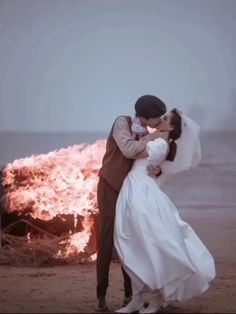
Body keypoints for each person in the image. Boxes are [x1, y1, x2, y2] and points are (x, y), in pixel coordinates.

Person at [114, 109, 216, 313]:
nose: (161, 119)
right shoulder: (155, 140)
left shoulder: (160, 144)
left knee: (145, 242)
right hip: (133, 188)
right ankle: (136, 299)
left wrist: (147, 138)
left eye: (165, 118)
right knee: (129, 241)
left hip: (142, 192)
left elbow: (133, 152)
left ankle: (153, 298)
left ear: (170, 126)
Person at [95, 95, 168, 312]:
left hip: (129, 190)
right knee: (107, 240)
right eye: (157, 117)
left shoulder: (147, 133)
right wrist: (156, 137)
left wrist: (158, 169)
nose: (159, 121)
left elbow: (146, 159)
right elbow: (128, 149)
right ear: (145, 117)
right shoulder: (122, 122)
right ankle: (101, 296)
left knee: (128, 239)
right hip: (109, 186)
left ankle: (129, 296)